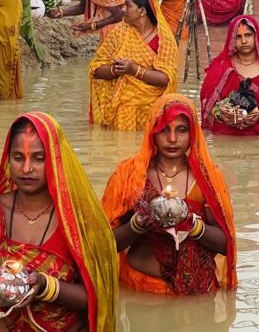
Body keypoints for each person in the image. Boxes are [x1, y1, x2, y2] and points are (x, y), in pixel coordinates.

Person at [0, 112, 117, 331]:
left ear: (56, 159)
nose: (26, 169)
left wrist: (45, 286)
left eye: (39, 158)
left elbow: (98, 299)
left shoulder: (80, 220)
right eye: (18, 157)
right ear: (7, 158)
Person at [101, 94, 237, 295]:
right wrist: (136, 226)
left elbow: (226, 245)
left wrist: (192, 225)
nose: (172, 139)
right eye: (164, 129)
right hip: (140, 292)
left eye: (181, 130)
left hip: (197, 295)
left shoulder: (208, 179)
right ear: (151, 132)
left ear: (193, 134)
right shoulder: (129, 175)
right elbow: (103, 243)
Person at [89, 0, 178, 129]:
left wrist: (134, 70)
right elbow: (96, 69)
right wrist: (115, 70)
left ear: (142, 11)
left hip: (152, 111)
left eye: (128, 5)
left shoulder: (164, 40)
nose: (123, 9)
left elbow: (166, 78)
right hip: (118, 108)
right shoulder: (119, 33)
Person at [200, 15, 259, 135]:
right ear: (232, 39)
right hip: (225, 136)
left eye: (248, 35)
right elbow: (206, 102)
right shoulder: (222, 66)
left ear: (256, 36)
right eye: (238, 37)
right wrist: (223, 116)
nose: (243, 41)